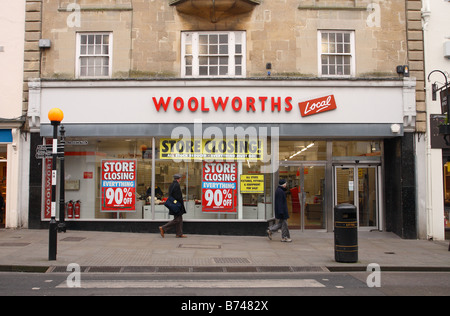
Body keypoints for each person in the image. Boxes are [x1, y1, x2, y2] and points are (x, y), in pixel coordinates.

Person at [159, 174, 187, 238]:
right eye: (180, 178)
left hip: (174, 204)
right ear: (178, 179)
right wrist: (180, 204)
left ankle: (179, 233)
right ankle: (163, 228)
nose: (180, 179)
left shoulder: (172, 185)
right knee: (177, 220)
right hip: (177, 205)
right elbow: (178, 196)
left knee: (179, 219)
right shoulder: (176, 185)